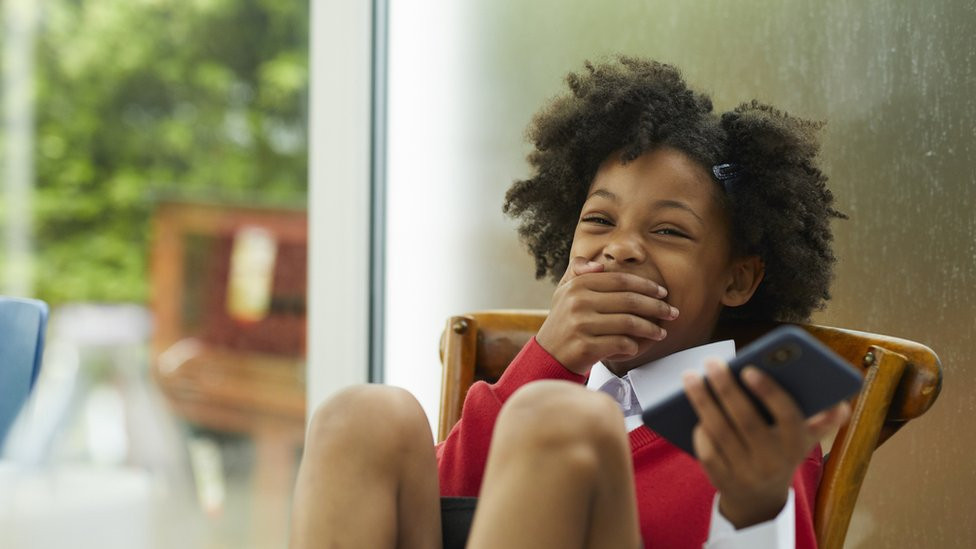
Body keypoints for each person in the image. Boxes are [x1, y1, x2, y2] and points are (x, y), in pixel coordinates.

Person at [289, 57, 851, 549]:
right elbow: (441, 512)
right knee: (362, 415)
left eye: (670, 232)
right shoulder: (549, 393)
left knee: (563, 421)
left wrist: (753, 508)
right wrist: (548, 359)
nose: (622, 247)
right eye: (599, 221)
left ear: (737, 280)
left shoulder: (750, 430)